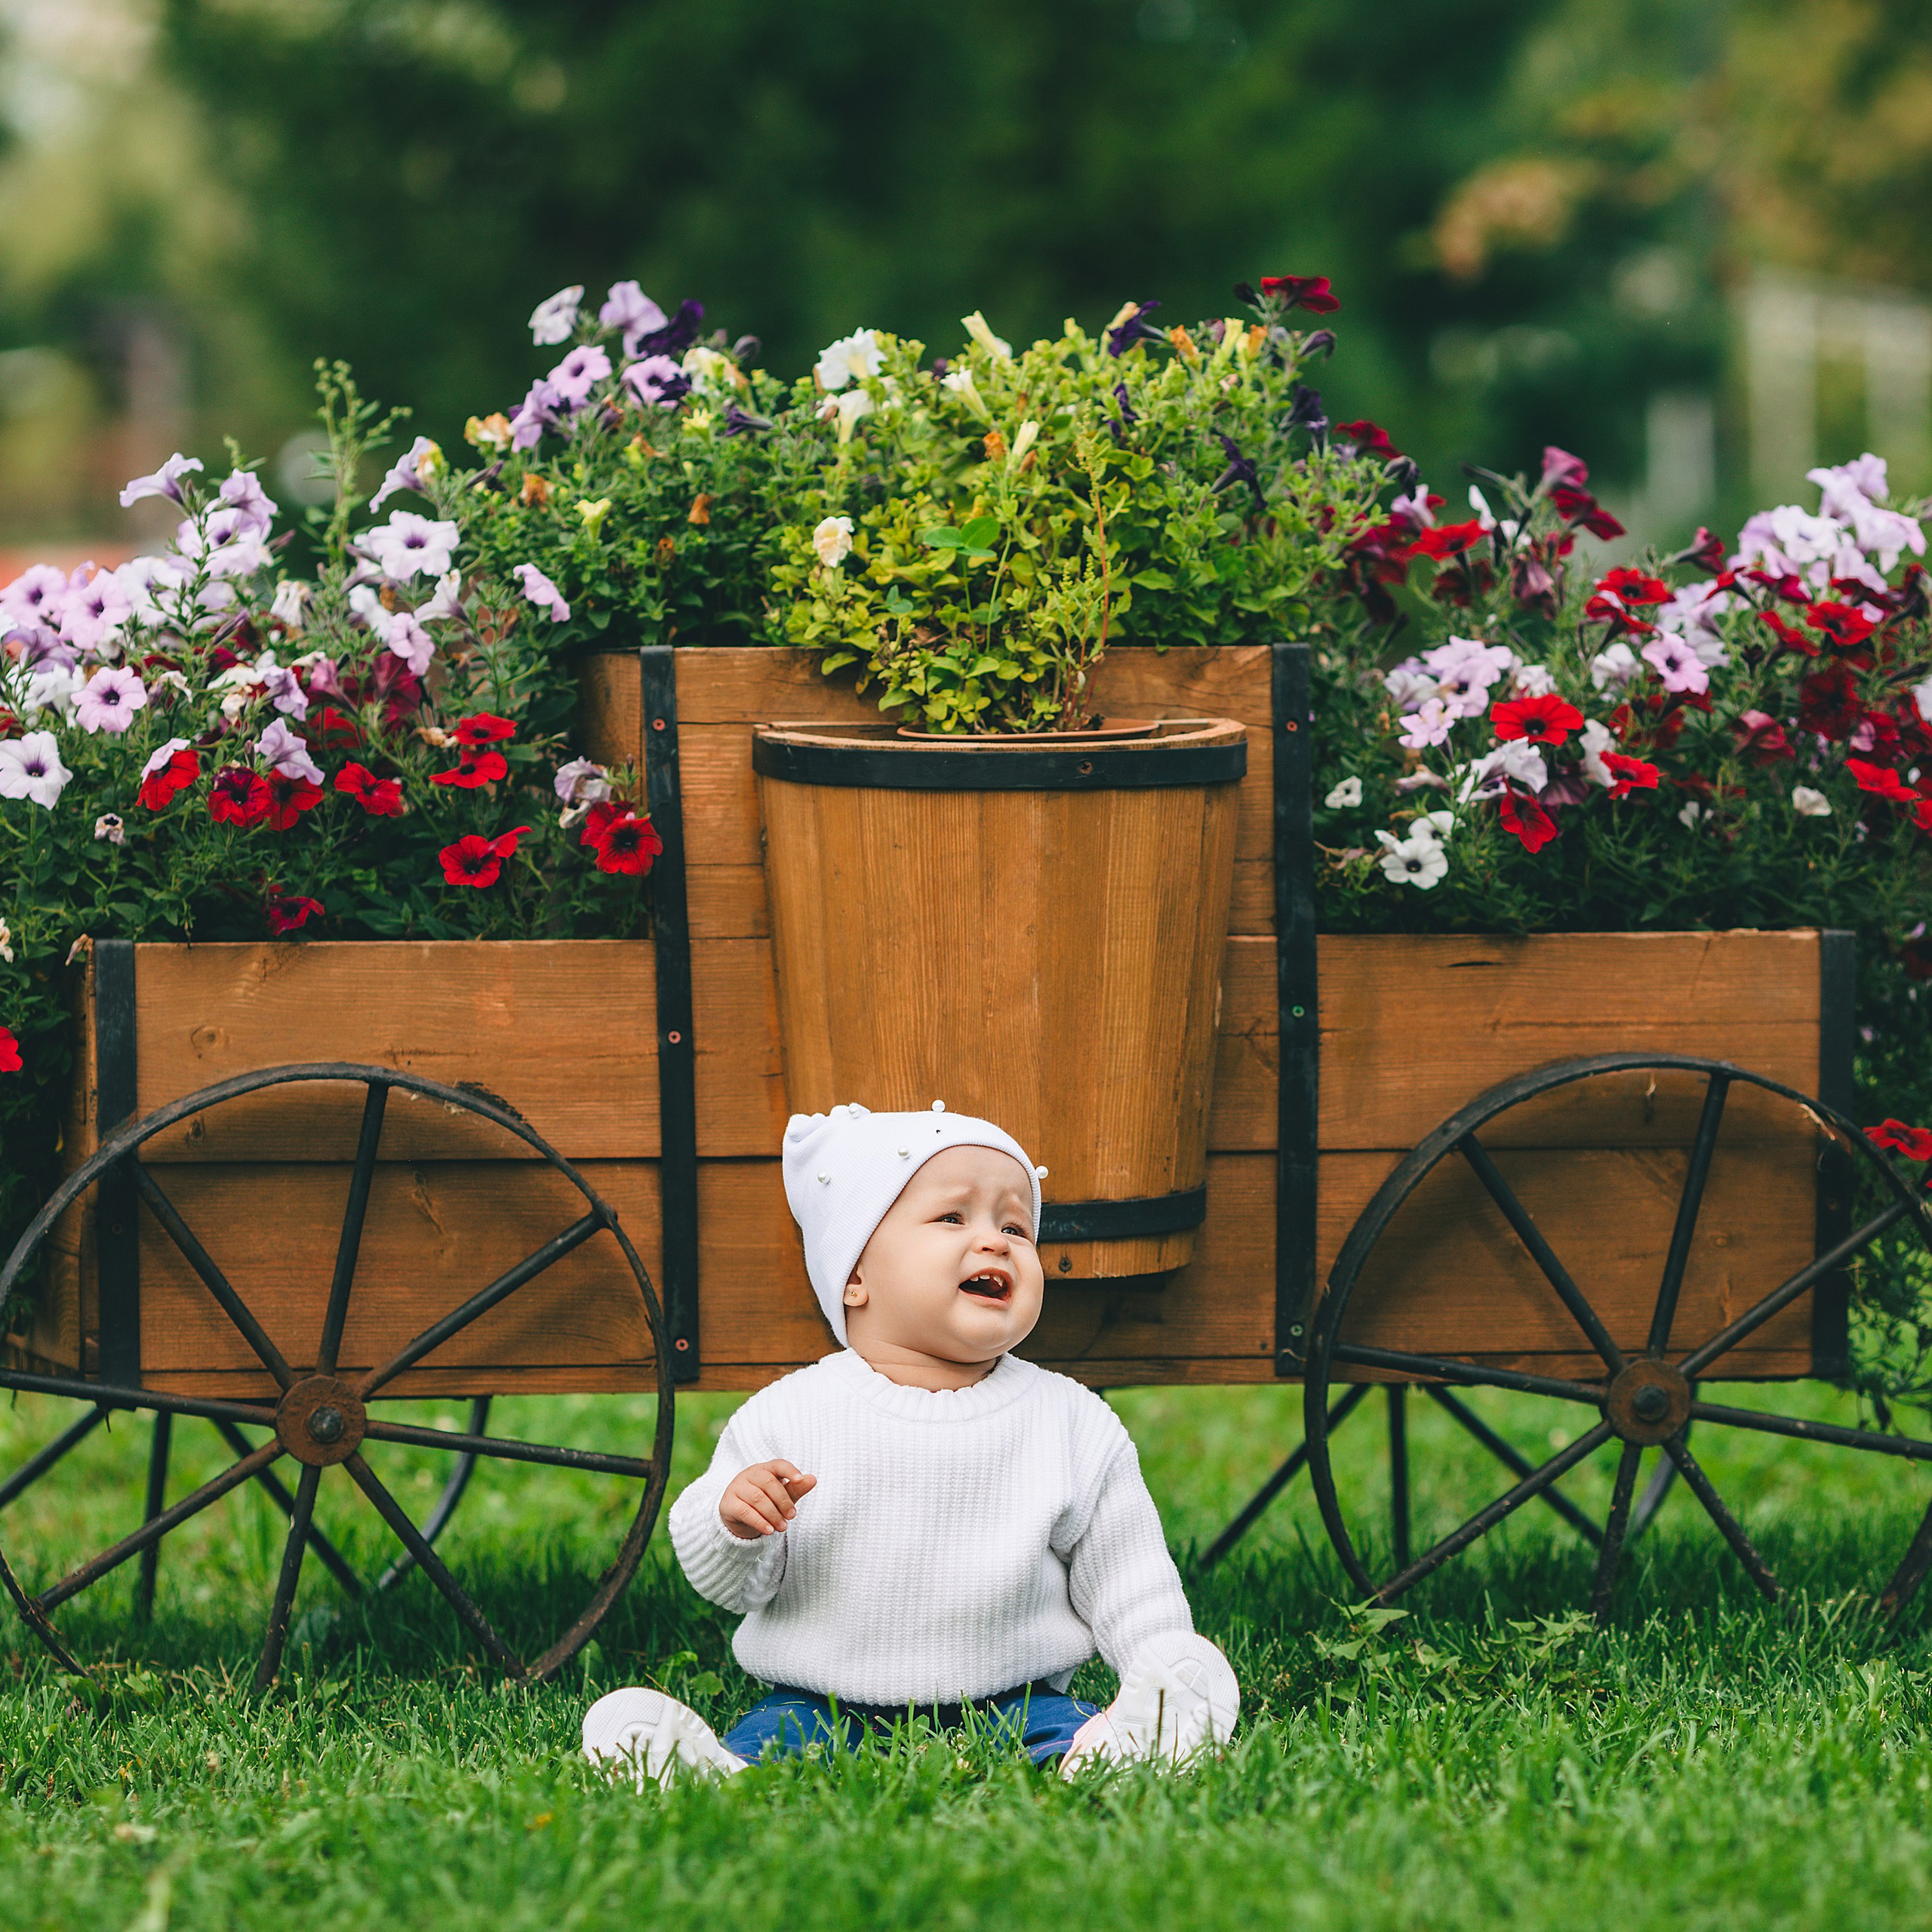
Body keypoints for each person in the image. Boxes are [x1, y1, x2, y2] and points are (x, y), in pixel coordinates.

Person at [582, 1100, 1239, 1786]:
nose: (995, 1242)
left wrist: (1162, 1664)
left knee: (1066, 1730)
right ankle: (716, 1772)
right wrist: (734, 1523)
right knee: (778, 1737)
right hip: (822, 1697)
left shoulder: (1071, 1421)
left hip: (1016, 1697)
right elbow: (733, 1586)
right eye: (953, 1217)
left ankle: (1138, 1739)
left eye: (1016, 1226)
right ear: (855, 1276)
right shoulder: (792, 1414)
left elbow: (1129, 1576)